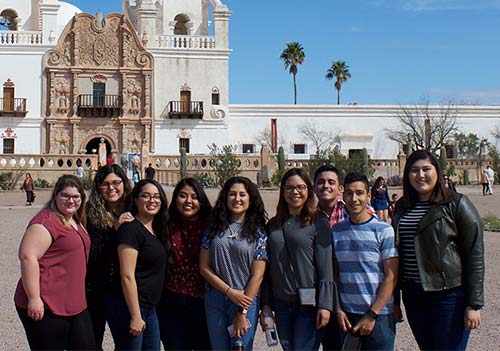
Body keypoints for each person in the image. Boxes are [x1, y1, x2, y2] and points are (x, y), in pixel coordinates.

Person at [392, 150, 484, 350]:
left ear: (438, 172)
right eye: (414, 170)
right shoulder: (402, 207)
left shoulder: (456, 203)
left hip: (448, 295)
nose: (421, 175)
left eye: (426, 169)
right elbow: (395, 255)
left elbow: (474, 254)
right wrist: (395, 299)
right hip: (413, 294)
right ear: (407, 175)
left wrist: (474, 304)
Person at [14, 175, 95, 350]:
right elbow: (28, 257)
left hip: (74, 302)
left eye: (76, 196)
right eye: (65, 195)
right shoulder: (46, 221)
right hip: (48, 302)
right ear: (56, 196)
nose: (71, 200)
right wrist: (34, 298)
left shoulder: (75, 220)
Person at [262, 168, 334, 350]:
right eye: (290, 188)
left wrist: (325, 305)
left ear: (308, 191)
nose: (295, 192)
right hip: (282, 302)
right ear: (283, 191)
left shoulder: (317, 222)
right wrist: (266, 304)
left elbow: (326, 267)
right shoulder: (273, 224)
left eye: (301, 187)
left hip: (309, 304)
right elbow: (267, 269)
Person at [199, 176, 268, 351]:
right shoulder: (213, 227)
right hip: (216, 297)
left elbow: (257, 274)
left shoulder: (258, 232)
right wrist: (229, 292)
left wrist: (242, 311)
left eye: (242, 195)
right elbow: (204, 267)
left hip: (245, 300)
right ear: (225, 197)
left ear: (250, 199)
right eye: (232, 194)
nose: (237, 199)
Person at [333, 172, 399, 350]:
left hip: (379, 315)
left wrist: (372, 314)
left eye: (359, 193)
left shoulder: (384, 230)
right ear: (343, 195)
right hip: (348, 315)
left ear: (369, 196)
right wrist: (338, 308)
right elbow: (335, 274)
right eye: (349, 193)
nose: (354, 199)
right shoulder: (336, 232)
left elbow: (391, 276)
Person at [107, 179, 169, 350]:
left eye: (156, 196)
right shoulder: (130, 229)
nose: (152, 200)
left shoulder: (157, 228)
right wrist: (135, 315)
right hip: (131, 307)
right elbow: (127, 275)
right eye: (146, 196)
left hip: (148, 308)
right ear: (135, 200)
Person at [157, 177, 212, 350]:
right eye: (183, 196)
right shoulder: (164, 223)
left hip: (204, 301)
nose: (188, 201)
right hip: (171, 300)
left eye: (194, 197)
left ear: (201, 200)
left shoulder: (212, 225)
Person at [86, 164, 133, 350]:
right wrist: (115, 230)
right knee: (92, 340)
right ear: (98, 187)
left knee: (125, 341)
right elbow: (93, 253)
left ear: (124, 183)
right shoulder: (89, 213)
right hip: (96, 286)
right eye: (105, 184)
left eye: (116, 183)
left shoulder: (135, 208)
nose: (111, 188)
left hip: (124, 288)